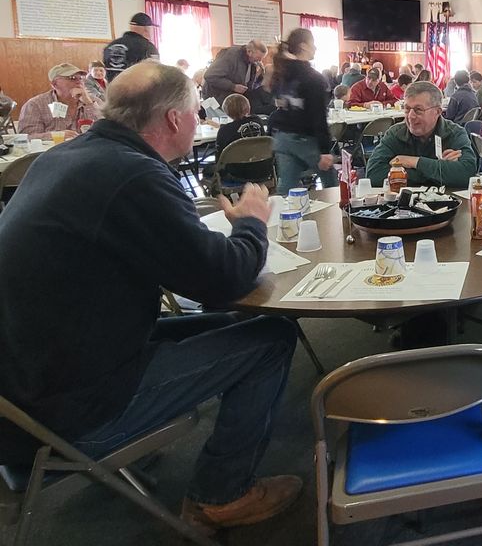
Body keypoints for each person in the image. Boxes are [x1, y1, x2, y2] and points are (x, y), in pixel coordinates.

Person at [0, 61, 301, 535]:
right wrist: (251, 222)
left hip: (26, 382)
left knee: (240, 328)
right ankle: (222, 495)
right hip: (67, 410)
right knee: (272, 339)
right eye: (193, 114)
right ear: (175, 120)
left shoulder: (67, 158)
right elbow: (223, 282)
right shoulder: (133, 176)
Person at [365, 81, 477, 188]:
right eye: (407, 109)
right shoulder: (396, 133)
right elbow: (373, 174)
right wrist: (440, 171)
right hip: (404, 205)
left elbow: (468, 173)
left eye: (418, 110)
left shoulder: (455, 133)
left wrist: (413, 162)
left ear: (438, 112)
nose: (411, 116)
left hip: (446, 204)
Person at [269, 28, 335, 193]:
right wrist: (325, 150)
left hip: (282, 138)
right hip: (305, 140)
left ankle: (281, 216)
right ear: (304, 46)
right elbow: (318, 117)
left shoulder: (280, 73)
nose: (315, 48)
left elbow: (278, 105)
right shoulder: (314, 78)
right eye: (313, 44)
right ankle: (338, 215)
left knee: (286, 188)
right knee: (331, 182)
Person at [18, 63, 102, 139]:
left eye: (80, 78)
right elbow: (26, 137)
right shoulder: (35, 105)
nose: (78, 82)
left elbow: (107, 129)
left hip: (87, 152)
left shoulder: (94, 101)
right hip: (52, 153)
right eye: (72, 78)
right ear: (54, 84)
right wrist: (54, 136)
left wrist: (89, 103)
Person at [203, 40, 268, 103]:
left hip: (232, 100)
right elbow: (210, 76)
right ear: (249, 52)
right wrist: (233, 86)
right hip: (215, 99)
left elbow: (249, 86)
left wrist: (259, 75)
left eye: (262, 58)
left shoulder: (252, 63)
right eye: (258, 57)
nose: (260, 61)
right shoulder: (230, 55)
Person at [103, 12, 160, 83]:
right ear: (146, 29)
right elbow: (154, 73)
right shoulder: (147, 47)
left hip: (113, 91)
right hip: (137, 92)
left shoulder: (110, 45)